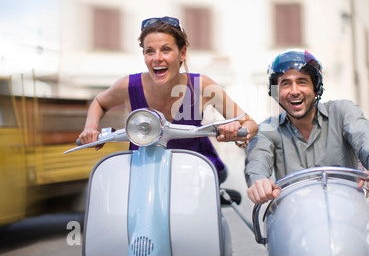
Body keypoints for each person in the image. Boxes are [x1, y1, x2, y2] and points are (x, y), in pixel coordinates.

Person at [78, 16, 258, 183]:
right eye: (150, 51)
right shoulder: (129, 86)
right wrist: (90, 127)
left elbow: (250, 123)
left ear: (182, 53)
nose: (157, 58)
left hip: (195, 173)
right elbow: (99, 102)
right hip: (145, 173)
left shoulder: (200, 86)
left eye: (166, 49)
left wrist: (236, 131)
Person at [245, 49, 369, 204]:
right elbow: (257, 161)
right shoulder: (267, 129)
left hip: (347, 214)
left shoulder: (343, 111)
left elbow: (366, 140)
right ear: (276, 93)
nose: (294, 91)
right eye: (286, 84)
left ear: (316, 88)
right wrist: (259, 182)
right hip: (294, 220)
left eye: (302, 82)